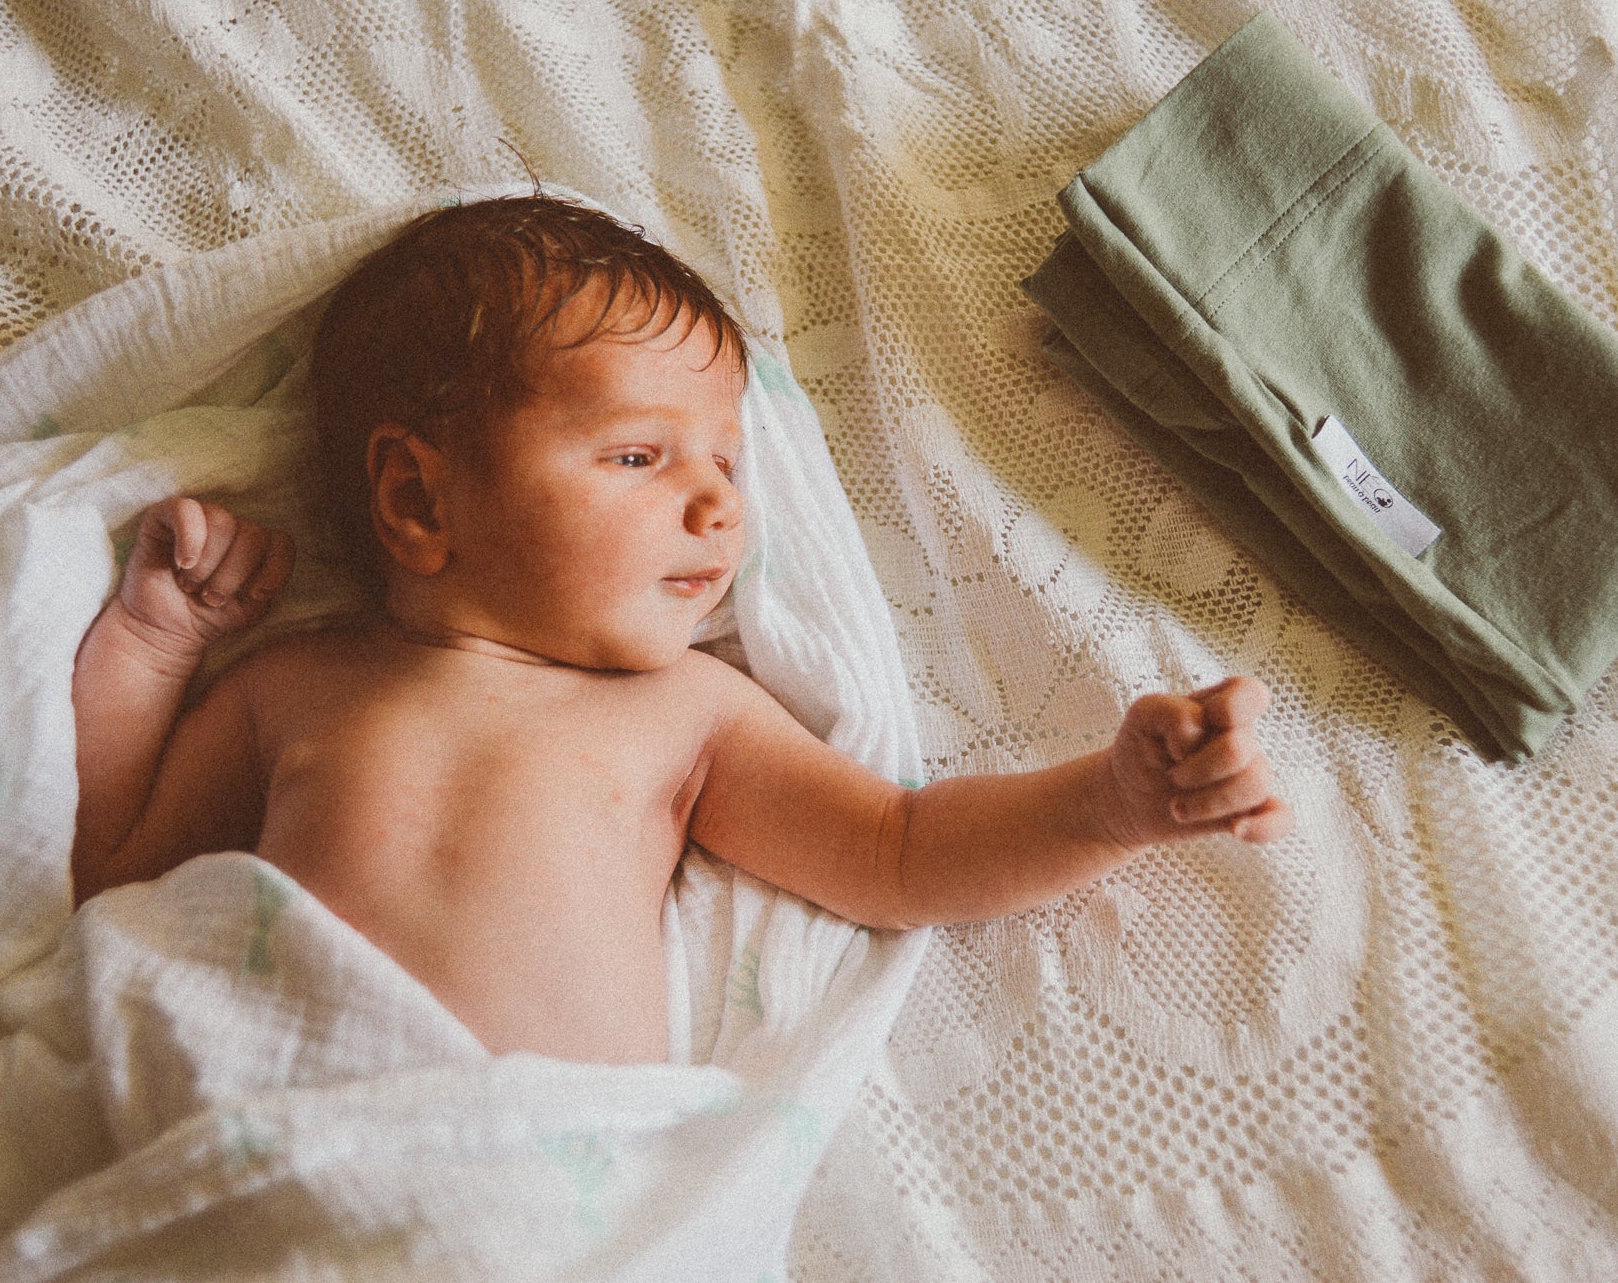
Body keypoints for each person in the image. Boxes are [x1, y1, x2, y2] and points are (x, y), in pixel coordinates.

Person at [70, 195, 1292, 1065]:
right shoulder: (293, 683)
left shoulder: (683, 714)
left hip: (530, 1190)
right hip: (271, 1139)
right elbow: (113, 869)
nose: (717, 503)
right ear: (416, 496)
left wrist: (1115, 801)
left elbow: (902, 850)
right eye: (639, 455)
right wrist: (151, 643)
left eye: (724, 458)